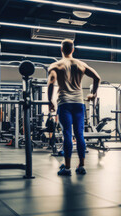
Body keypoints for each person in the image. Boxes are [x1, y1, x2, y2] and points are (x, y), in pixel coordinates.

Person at [47, 39, 101, 176]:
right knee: (79, 135)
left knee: (67, 135)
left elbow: (51, 83)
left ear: (61, 49)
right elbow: (97, 78)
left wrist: (49, 101)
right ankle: (81, 166)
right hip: (78, 103)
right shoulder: (81, 64)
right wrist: (93, 94)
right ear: (72, 50)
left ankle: (67, 168)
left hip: (64, 103)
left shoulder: (56, 65)